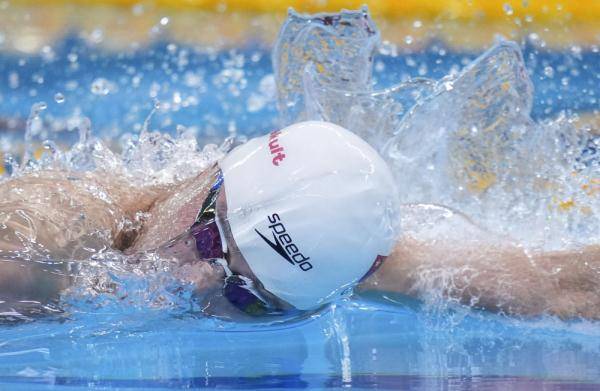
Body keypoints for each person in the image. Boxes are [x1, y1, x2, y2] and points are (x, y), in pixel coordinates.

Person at [0, 121, 598, 320]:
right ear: (209, 178)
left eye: (249, 298)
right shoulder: (32, 246)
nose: (191, 283)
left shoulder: (345, 261)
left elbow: (559, 285)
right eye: (207, 238)